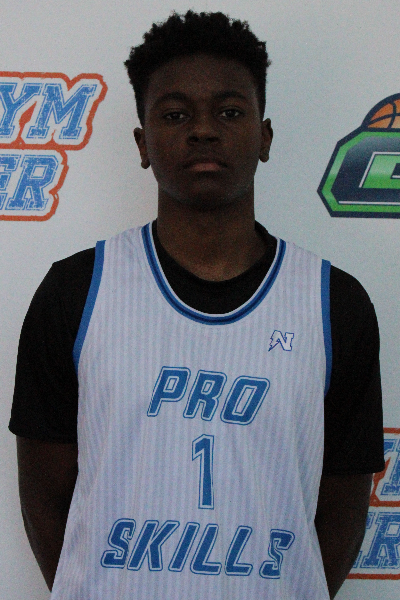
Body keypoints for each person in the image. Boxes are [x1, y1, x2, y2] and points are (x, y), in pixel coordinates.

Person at [10, 10, 384, 600]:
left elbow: (341, 508)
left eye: (229, 112)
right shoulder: (75, 292)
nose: (203, 130)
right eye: (175, 114)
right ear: (143, 143)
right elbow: (46, 499)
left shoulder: (334, 304)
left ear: (264, 137)